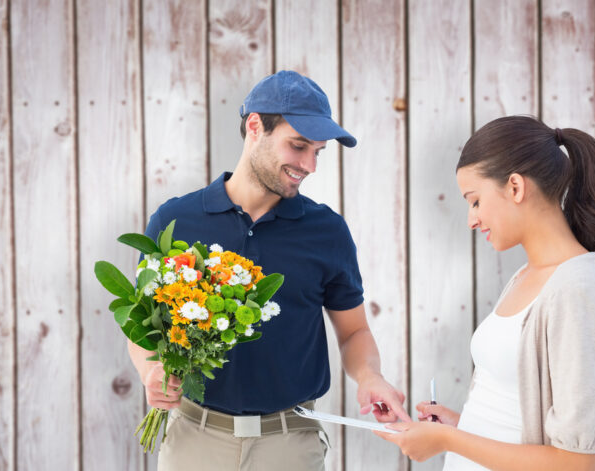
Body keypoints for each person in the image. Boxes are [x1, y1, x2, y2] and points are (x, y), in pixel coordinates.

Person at [127, 70, 410, 470]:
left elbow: (354, 331)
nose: (309, 165)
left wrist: (370, 377)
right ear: (255, 126)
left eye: (318, 151)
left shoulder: (326, 231)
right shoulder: (176, 221)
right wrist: (149, 368)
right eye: (298, 147)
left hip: (290, 444)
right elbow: (141, 323)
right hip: (194, 439)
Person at [375, 115, 595, 471]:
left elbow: (576, 462)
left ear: (515, 187)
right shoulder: (527, 275)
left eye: (475, 201)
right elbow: (515, 420)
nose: (471, 220)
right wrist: (462, 427)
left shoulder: (578, 288)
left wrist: (449, 440)